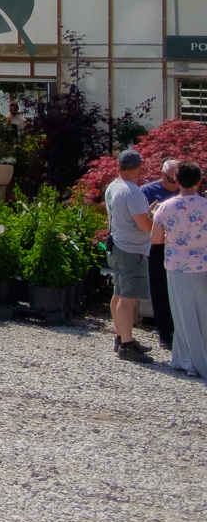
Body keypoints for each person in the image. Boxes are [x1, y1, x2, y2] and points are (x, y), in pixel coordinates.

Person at [149, 162, 207, 378]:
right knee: (203, 313)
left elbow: (156, 240)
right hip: (203, 265)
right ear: (199, 181)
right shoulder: (206, 206)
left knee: (182, 315)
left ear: (177, 180)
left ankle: (187, 359)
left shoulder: (164, 207)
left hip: (176, 266)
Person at [105, 149, 156, 363]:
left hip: (116, 245)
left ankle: (121, 337)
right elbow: (144, 225)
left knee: (119, 292)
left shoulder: (113, 186)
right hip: (131, 250)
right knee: (128, 298)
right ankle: (127, 345)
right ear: (138, 167)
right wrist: (157, 219)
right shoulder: (133, 192)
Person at [143, 158, 181, 349]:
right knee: (160, 291)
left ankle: (181, 332)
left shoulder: (186, 190)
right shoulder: (148, 191)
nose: (176, 184)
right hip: (157, 247)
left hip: (180, 249)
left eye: (178, 180)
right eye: (172, 180)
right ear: (162, 175)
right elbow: (140, 223)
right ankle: (165, 333)